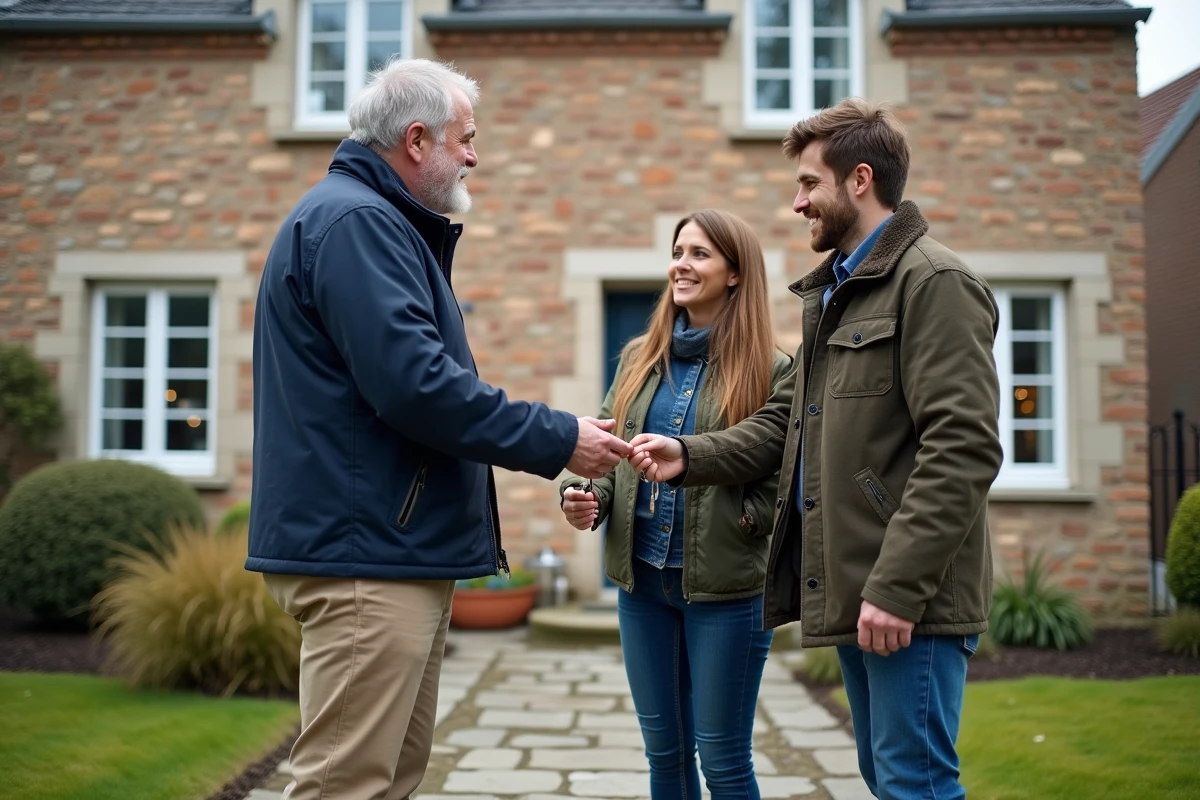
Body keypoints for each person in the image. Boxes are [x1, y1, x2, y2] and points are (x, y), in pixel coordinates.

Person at [246, 58, 630, 800]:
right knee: (345, 785)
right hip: (367, 558)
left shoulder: (366, 221)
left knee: (388, 781)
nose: (475, 156)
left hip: (386, 552)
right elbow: (418, 388)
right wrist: (559, 439)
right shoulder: (358, 224)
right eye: (466, 139)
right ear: (416, 139)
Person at [627, 98, 1003, 800]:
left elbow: (963, 449)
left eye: (808, 183)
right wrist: (689, 455)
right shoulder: (841, 293)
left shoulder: (935, 283)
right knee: (884, 776)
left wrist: (897, 588)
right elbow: (785, 427)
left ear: (859, 180)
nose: (797, 202)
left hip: (907, 597)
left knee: (913, 782)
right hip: (863, 590)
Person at [559, 209, 793, 800]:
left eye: (699, 254)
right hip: (643, 586)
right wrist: (584, 494)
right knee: (664, 756)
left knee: (723, 760)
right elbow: (610, 450)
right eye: (677, 251)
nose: (680, 265)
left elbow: (777, 472)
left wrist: (748, 522)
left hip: (726, 591)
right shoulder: (640, 355)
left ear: (735, 273)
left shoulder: (771, 368)